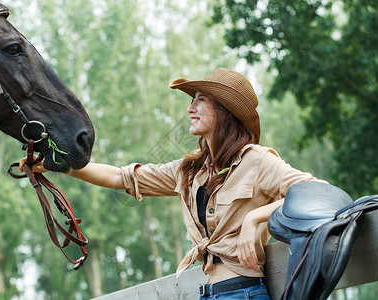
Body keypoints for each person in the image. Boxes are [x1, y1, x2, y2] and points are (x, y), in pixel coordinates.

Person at [20, 68, 327, 299]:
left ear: (224, 110)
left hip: (244, 293)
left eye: (200, 100)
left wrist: (255, 217)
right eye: (192, 100)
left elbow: (314, 193)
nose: (190, 108)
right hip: (207, 293)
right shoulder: (189, 169)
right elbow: (121, 177)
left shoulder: (257, 161)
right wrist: (57, 164)